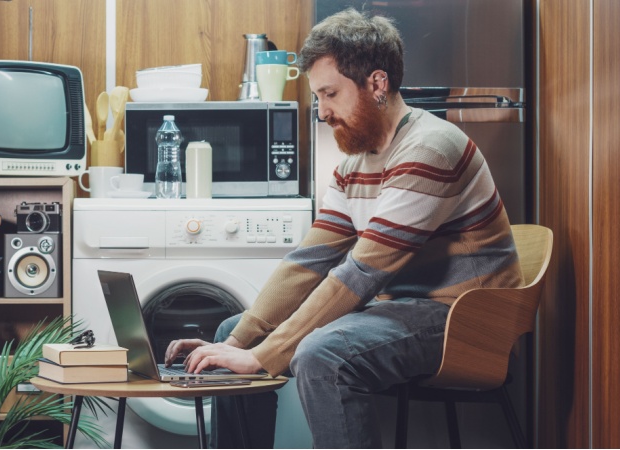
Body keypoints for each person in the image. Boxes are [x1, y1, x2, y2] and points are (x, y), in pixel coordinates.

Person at [165, 7, 524, 448]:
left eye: (330, 94)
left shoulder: (430, 148)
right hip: (397, 309)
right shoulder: (355, 164)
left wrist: (262, 357)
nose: (321, 112)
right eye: (318, 97)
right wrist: (241, 342)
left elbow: (363, 272)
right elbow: (309, 262)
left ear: (376, 84)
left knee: (323, 354)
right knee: (229, 331)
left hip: (462, 319)